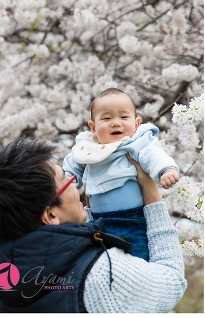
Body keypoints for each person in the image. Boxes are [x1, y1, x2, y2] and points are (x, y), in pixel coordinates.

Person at [0, 138, 187, 312]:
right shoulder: (106, 276)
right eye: (66, 180)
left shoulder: (3, 282)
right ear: (50, 215)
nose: (75, 184)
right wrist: (151, 195)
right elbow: (173, 282)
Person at [63, 88, 180, 260]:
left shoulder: (137, 143)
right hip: (98, 222)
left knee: (138, 257)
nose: (116, 123)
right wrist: (68, 182)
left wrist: (165, 169)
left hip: (133, 220)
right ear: (93, 127)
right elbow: (72, 168)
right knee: (102, 262)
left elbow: (153, 155)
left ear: (137, 123)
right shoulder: (88, 147)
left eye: (124, 117)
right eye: (107, 118)